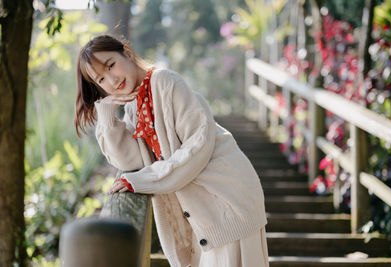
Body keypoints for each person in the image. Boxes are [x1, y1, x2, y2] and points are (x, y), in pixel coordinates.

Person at [74, 34, 269, 267]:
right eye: (101, 80)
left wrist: (142, 180)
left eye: (111, 65)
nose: (112, 80)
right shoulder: (135, 105)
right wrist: (106, 113)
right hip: (204, 215)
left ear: (127, 52)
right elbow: (128, 161)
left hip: (229, 200)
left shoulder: (165, 82)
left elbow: (196, 148)